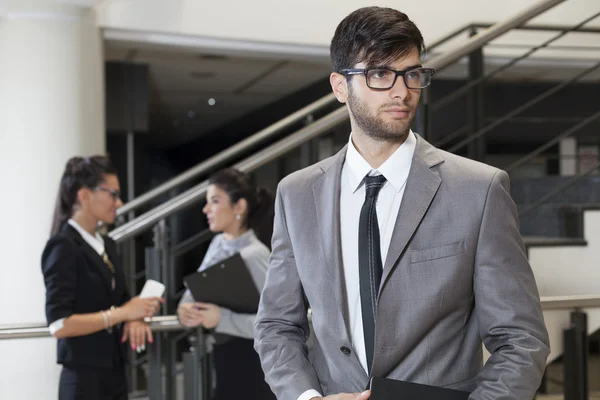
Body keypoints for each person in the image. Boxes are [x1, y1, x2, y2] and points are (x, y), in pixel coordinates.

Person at [254, 7, 550, 400]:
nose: (401, 91)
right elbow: (276, 326)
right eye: (379, 74)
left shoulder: (479, 190)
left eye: (412, 74)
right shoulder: (296, 194)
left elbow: (521, 339)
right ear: (340, 86)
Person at [42, 156, 163, 400]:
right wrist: (122, 314)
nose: (119, 202)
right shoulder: (63, 246)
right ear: (83, 195)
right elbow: (59, 324)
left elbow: (123, 301)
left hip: (115, 374)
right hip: (82, 381)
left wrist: (136, 317)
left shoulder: (106, 244)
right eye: (112, 194)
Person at [177, 168, 276, 400]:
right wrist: (185, 311)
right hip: (225, 361)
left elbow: (275, 326)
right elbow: (192, 294)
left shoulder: (256, 255)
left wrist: (222, 319)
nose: (206, 209)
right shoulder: (217, 244)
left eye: (214, 201)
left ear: (239, 207)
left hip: (252, 368)